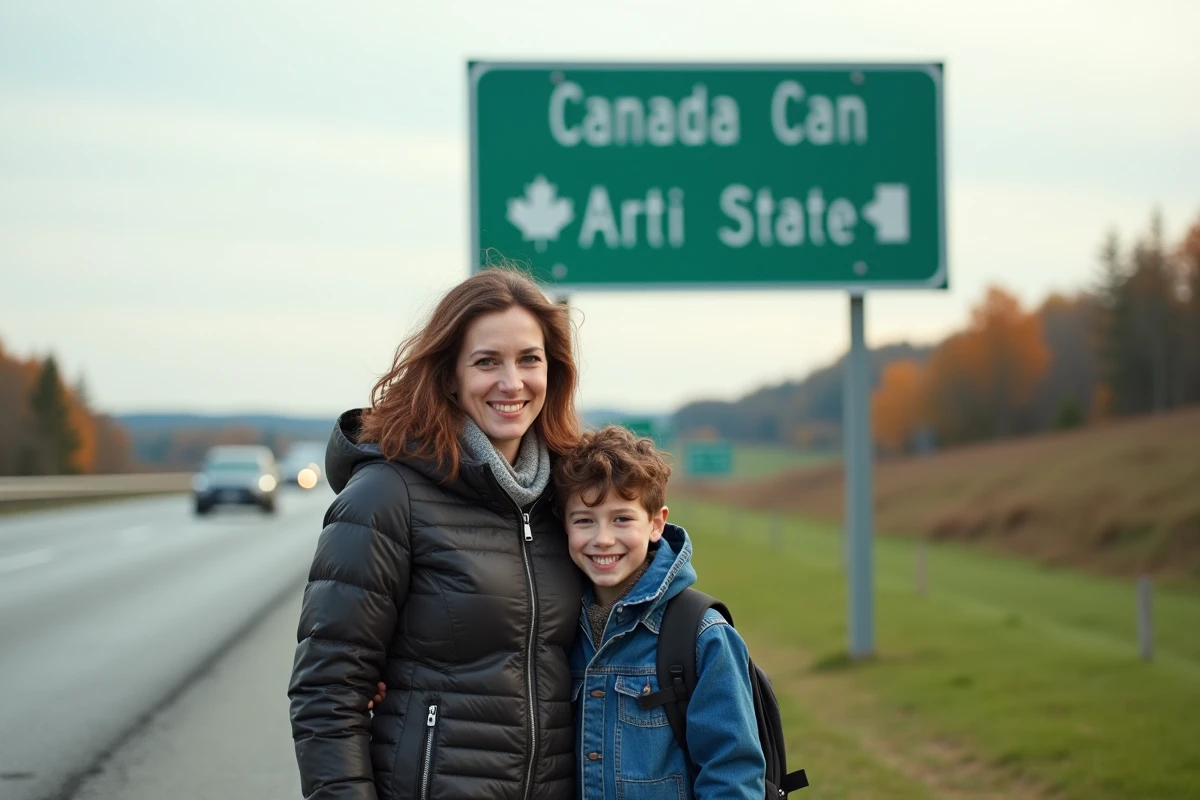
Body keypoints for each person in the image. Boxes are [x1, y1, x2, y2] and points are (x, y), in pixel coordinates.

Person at [288, 267, 585, 800]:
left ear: (553, 371)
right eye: (486, 361)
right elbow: (327, 692)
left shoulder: (566, 498)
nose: (512, 383)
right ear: (449, 375)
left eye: (529, 360)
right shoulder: (386, 495)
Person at [554, 426, 766, 800]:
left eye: (622, 519)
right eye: (584, 520)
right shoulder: (556, 629)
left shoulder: (703, 636)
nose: (602, 538)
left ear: (656, 523)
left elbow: (733, 774)